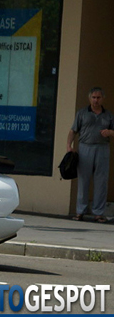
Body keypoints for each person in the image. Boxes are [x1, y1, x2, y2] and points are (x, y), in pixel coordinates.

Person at [67, 87, 113, 223]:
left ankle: (98, 213)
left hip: (103, 148)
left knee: (101, 181)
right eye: (93, 97)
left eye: (98, 97)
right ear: (89, 98)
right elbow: (73, 130)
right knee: (83, 180)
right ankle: (80, 211)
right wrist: (69, 146)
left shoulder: (109, 115)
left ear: (102, 99)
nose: (96, 100)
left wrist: (110, 133)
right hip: (85, 147)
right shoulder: (82, 113)